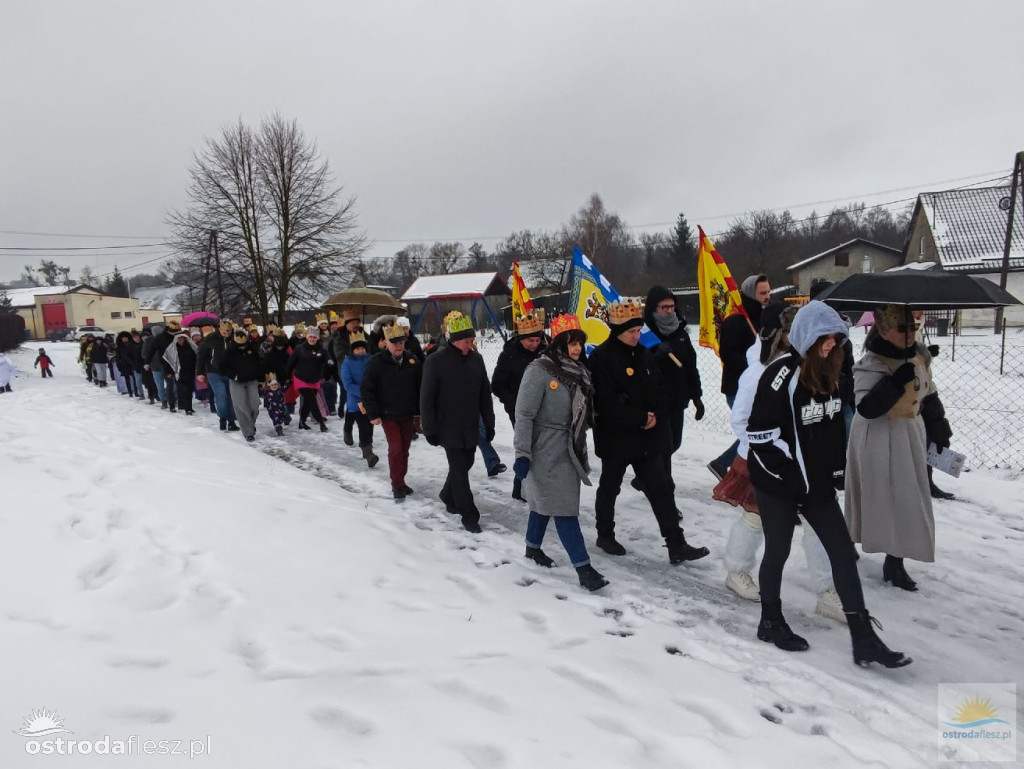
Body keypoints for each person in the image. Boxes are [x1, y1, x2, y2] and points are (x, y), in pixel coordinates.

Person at [746, 301, 910, 667]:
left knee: (842, 552)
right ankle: (770, 620)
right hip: (778, 483)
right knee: (778, 551)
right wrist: (792, 477)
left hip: (815, 485)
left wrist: (836, 470)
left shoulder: (832, 374)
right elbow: (759, 435)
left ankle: (864, 638)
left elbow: (834, 427)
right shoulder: (780, 375)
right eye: (824, 337)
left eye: (835, 337)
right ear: (806, 336)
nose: (831, 344)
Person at [714, 303, 844, 623]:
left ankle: (827, 591)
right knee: (757, 519)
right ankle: (737, 569)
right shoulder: (763, 371)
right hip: (766, 461)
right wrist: (769, 454)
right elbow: (743, 418)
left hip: (805, 467)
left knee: (817, 524)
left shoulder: (814, 368)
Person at [588, 299, 708, 563]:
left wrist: (657, 414)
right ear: (618, 331)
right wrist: (639, 417)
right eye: (631, 331)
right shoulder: (601, 358)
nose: (636, 335)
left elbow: (661, 388)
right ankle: (605, 534)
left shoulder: (643, 353)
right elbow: (604, 402)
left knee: (661, 489)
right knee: (610, 487)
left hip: (647, 438)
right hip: (616, 438)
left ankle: (676, 544)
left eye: (638, 330)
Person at [845, 305, 947, 592]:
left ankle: (895, 561)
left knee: (906, 499)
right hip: (877, 437)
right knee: (876, 496)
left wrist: (939, 426)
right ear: (885, 330)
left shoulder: (918, 357)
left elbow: (929, 393)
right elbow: (866, 408)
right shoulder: (871, 362)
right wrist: (893, 382)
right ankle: (845, 541)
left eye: (913, 327)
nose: (910, 333)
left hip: (909, 435)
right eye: (903, 329)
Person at [513, 314, 608, 592]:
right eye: (570, 342)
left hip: (569, 448)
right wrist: (522, 453)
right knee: (564, 509)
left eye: (579, 342)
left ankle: (532, 549)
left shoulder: (578, 371)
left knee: (547, 503)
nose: (577, 348)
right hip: (544, 449)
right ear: (557, 344)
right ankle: (584, 568)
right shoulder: (539, 370)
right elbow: (524, 414)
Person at [420, 315, 495, 533]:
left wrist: (488, 423)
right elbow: (426, 398)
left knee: (467, 462)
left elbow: (484, 395)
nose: (469, 344)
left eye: (471, 340)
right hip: (447, 425)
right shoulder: (435, 361)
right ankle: (469, 515)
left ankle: (447, 495)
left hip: (470, 423)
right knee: (459, 470)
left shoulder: (476, 359)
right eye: (465, 341)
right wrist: (430, 428)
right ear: (453, 340)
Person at [642, 286, 704, 504]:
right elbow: (638, 367)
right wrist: (655, 355)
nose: (669, 311)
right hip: (656, 402)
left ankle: (646, 477)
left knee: (674, 443)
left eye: (671, 306)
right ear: (653, 308)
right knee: (665, 448)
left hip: (678, 400)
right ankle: (666, 497)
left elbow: (690, 366)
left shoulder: (680, 333)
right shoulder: (644, 334)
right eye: (663, 307)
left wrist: (697, 396)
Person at [708, 274, 771, 480]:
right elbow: (729, 354)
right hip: (738, 387)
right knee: (753, 430)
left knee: (758, 428)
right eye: (762, 293)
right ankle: (724, 464)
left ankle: (724, 464)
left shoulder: (763, 318)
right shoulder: (735, 320)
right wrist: (755, 363)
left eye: (768, 292)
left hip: (759, 386)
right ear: (751, 293)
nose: (767, 296)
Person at [362, 323, 423, 501]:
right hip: (387, 413)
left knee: (405, 448)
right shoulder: (376, 362)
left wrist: (420, 412)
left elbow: (420, 387)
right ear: (386, 343)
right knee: (395, 448)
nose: (398, 346)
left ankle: (401, 480)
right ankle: (396, 484)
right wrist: (373, 414)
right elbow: (367, 389)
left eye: (401, 342)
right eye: (394, 342)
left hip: (407, 412)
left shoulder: (412, 361)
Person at [491, 310, 547, 502]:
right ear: (521, 338)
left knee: (543, 449)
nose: (534, 344)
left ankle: (529, 485)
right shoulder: (509, 355)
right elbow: (497, 384)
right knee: (527, 448)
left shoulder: (545, 350)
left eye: (537, 340)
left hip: (545, 409)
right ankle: (522, 485)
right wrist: (515, 402)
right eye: (529, 341)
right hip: (520, 412)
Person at [340, 332, 379, 468]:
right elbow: (347, 384)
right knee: (363, 426)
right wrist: (363, 392)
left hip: (372, 399)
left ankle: (365, 446)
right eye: (357, 349)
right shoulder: (347, 363)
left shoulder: (371, 359)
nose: (360, 351)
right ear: (352, 350)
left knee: (370, 425)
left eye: (362, 348)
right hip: (357, 400)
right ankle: (369, 453)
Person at [197, 320, 240, 431]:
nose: (226, 334)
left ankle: (231, 421)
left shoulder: (234, 339)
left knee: (230, 396)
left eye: (228, 332)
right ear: (219, 329)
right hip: (214, 371)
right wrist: (200, 372)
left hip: (229, 372)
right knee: (221, 394)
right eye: (224, 332)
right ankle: (223, 418)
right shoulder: (210, 339)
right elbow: (201, 356)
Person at [221, 327, 262, 442]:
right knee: (241, 406)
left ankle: (250, 423)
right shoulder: (229, 351)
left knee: (254, 404)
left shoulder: (251, 349)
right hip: (236, 381)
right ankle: (248, 432)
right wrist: (233, 375)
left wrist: (261, 378)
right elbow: (222, 367)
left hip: (251, 380)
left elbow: (258, 363)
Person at [287, 327, 329, 432]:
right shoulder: (299, 348)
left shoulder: (321, 349)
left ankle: (302, 422)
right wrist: (287, 377)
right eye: (310, 337)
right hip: (301, 378)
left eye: (314, 337)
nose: (312, 339)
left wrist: (329, 362)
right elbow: (290, 363)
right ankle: (321, 423)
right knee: (312, 401)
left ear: (317, 338)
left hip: (314, 379)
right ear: (307, 337)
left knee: (307, 402)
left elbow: (327, 358)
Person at [331, 309, 364, 442]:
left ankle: (364, 435)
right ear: (347, 324)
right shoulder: (340, 338)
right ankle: (348, 428)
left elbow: (370, 349)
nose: (355, 325)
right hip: (347, 373)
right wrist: (355, 349)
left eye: (357, 322)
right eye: (352, 322)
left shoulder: (363, 334)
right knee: (353, 402)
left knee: (361, 404)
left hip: (363, 372)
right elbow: (339, 355)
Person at [164, 331, 199, 415]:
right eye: (179, 339)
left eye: (182, 338)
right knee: (183, 390)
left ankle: (188, 406)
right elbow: (167, 361)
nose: (181, 340)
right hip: (178, 373)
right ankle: (187, 408)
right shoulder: (172, 348)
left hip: (190, 371)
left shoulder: (190, 347)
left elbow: (196, 357)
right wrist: (168, 372)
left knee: (190, 390)